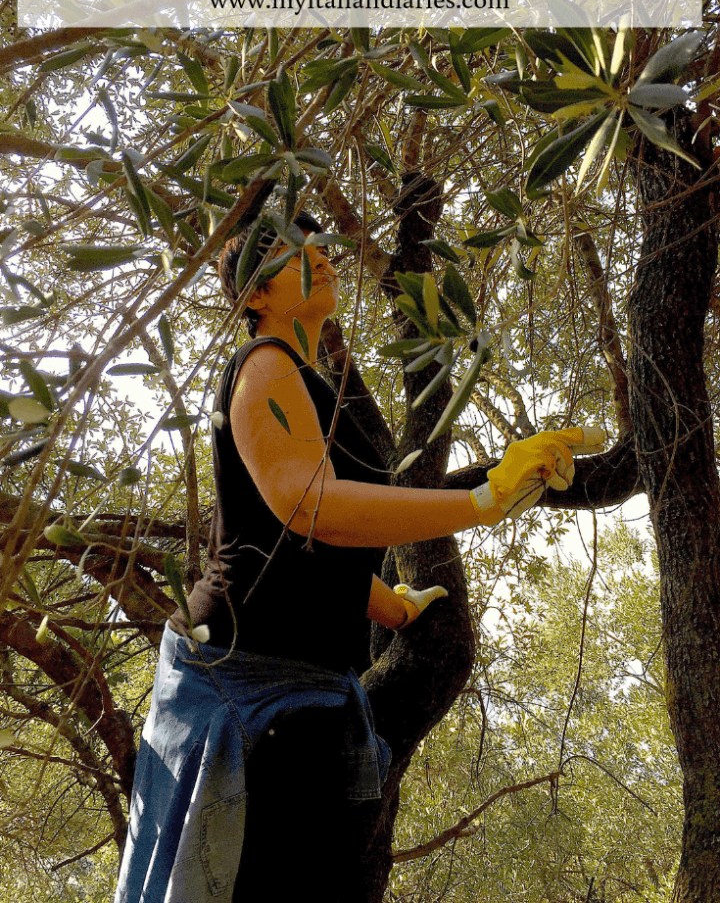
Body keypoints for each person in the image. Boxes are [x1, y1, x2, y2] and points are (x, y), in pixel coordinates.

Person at [113, 208, 605, 903]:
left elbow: (302, 545)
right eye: (292, 251)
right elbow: (305, 504)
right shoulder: (265, 365)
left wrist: (392, 605)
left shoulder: (314, 383)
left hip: (295, 686)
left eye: (320, 243)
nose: (319, 254)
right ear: (254, 294)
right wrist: (480, 502)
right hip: (245, 689)